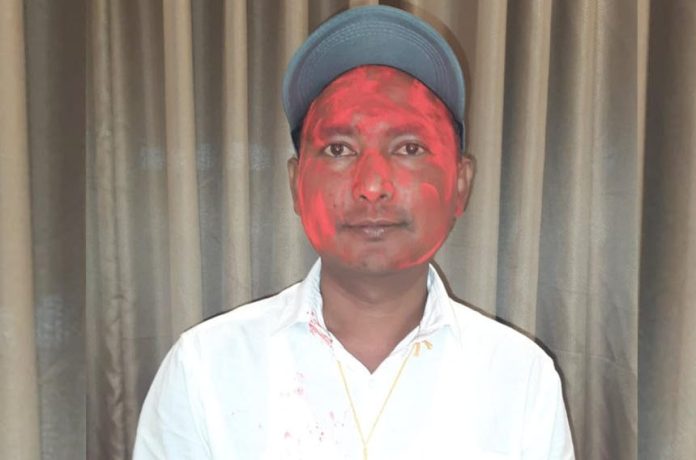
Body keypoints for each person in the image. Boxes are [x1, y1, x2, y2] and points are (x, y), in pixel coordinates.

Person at [133, 6, 574, 459]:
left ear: (460, 185)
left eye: (409, 148)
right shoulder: (205, 370)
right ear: (296, 184)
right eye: (338, 149)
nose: (372, 186)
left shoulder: (521, 379)